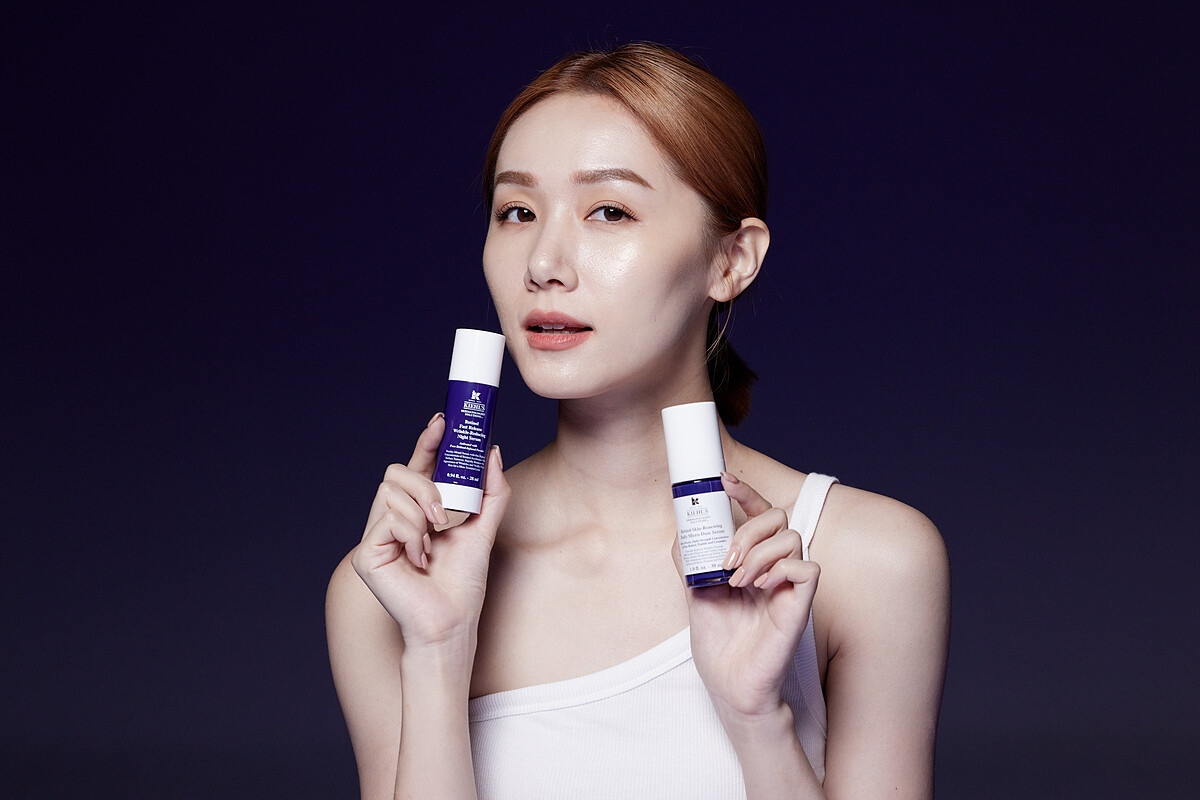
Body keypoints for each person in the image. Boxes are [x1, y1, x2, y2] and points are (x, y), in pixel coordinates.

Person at [326, 42, 950, 799]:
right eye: (517, 211)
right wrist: (436, 647)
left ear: (732, 260)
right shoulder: (387, 587)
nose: (543, 263)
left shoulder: (867, 562)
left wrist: (758, 721)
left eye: (609, 211)